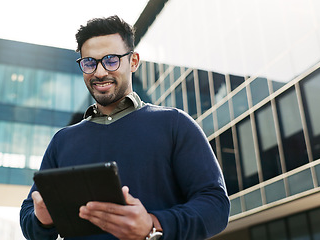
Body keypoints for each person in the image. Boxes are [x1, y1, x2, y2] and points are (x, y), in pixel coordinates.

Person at [20, 15, 230, 240]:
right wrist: (42, 219)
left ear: (133, 61)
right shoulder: (62, 140)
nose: (100, 73)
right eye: (89, 62)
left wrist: (152, 225)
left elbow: (215, 205)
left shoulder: (174, 124)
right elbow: (29, 214)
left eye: (111, 60)